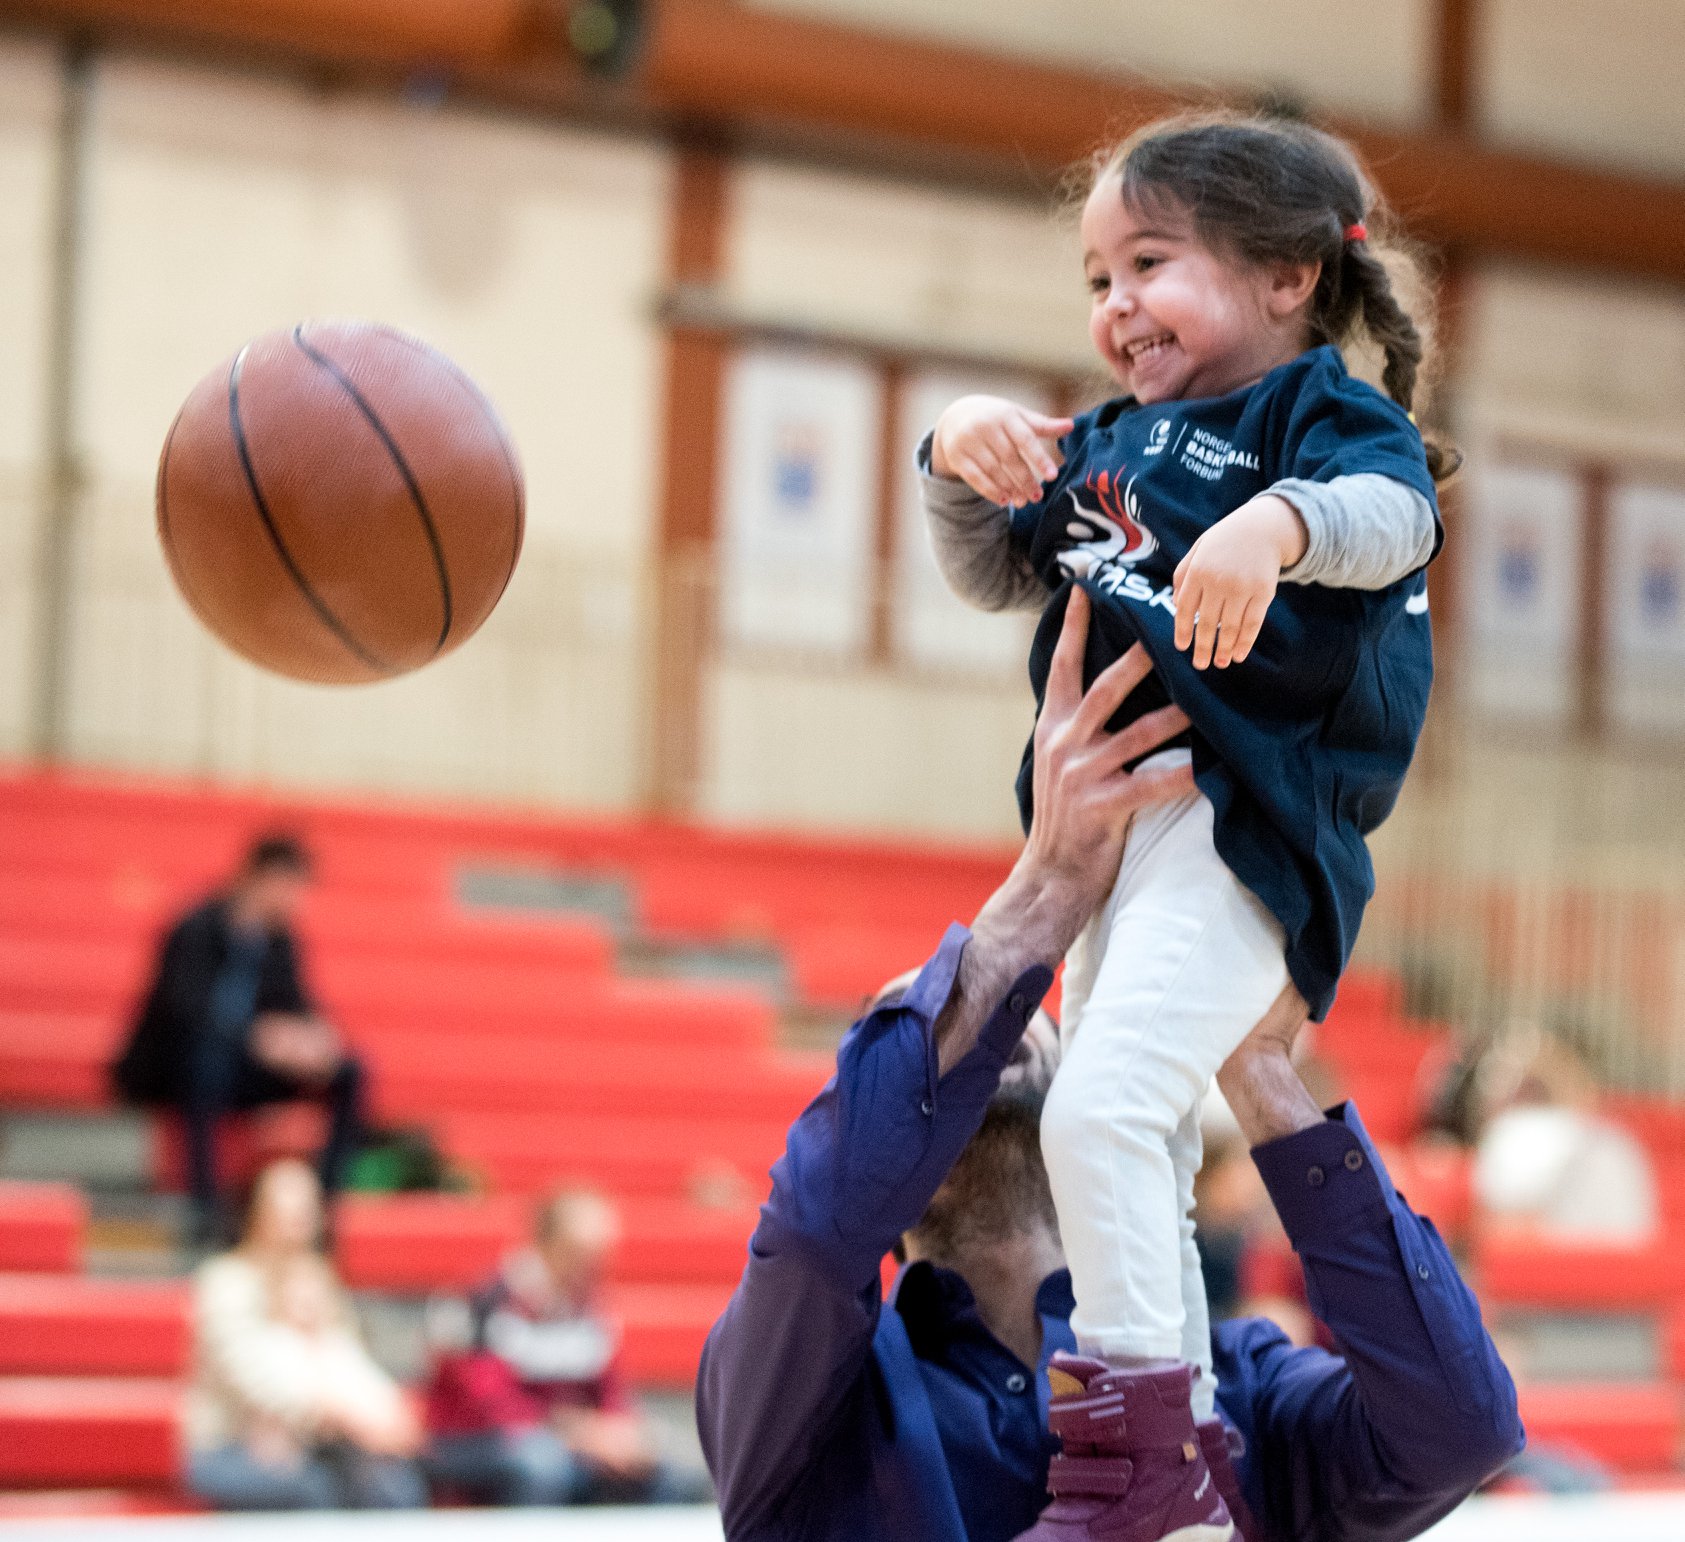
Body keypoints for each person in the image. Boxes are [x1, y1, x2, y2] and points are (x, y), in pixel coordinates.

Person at [697, 590, 1522, 1542]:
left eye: (1013, 1018)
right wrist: (1034, 904)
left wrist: (1253, 1065)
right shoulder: (807, 1406)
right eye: (937, 1026)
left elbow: (1461, 1431)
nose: (998, 1032)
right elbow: (813, 1236)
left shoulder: (1225, 1380)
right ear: (882, 1149)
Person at [918, 113, 1455, 1536]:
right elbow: (989, 560)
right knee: (1125, 1145)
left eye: (1146, 262)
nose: (1112, 306)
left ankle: (1145, 1469)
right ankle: (1185, 1451)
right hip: (1112, 850)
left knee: (1099, 1112)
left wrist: (1269, 529)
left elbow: (1396, 519)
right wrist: (951, 450)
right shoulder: (1113, 443)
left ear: (1284, 276)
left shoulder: (1320, 421)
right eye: (1095, 278)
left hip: (1248, 834)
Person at [112, 833, 366, 1245]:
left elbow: (297, 1003)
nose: (294, 899)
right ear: (259, 878)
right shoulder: (194, 927)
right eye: (288, 886)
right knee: (205, 1058)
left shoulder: (281, 941)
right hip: (176, 1066)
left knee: (351, 1069)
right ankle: (205, 1207)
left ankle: (324, 1201)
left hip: (246, 1070)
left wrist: (313, 1038)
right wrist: (256, 1037)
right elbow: (181, 1011)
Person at [424, 1187, 711, 1507]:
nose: (593, 1267)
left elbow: (610, 1392)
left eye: (600, 1256)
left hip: (564, 1439)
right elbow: (487, 1407)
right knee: (542, 1465)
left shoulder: (589, 1307)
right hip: (470, 1442)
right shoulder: (484, 1302)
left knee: (669, 1465)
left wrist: (621, 1435)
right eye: (581, 1254)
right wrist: (579, 1433)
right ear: (545, 1244)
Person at [185, 1159, 427, 1511]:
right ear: (255, 1213)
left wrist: (388, 1411)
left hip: (308, 1442)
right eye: (285, 1211)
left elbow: (346, 1359)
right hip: (227, 1444)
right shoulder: (226, 1281)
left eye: (306, 1211)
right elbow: (256, 1380)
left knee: (391, 1483)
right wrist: (346, 1417)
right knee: (315, 1487)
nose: (297, 1223)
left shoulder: (319, 1280)